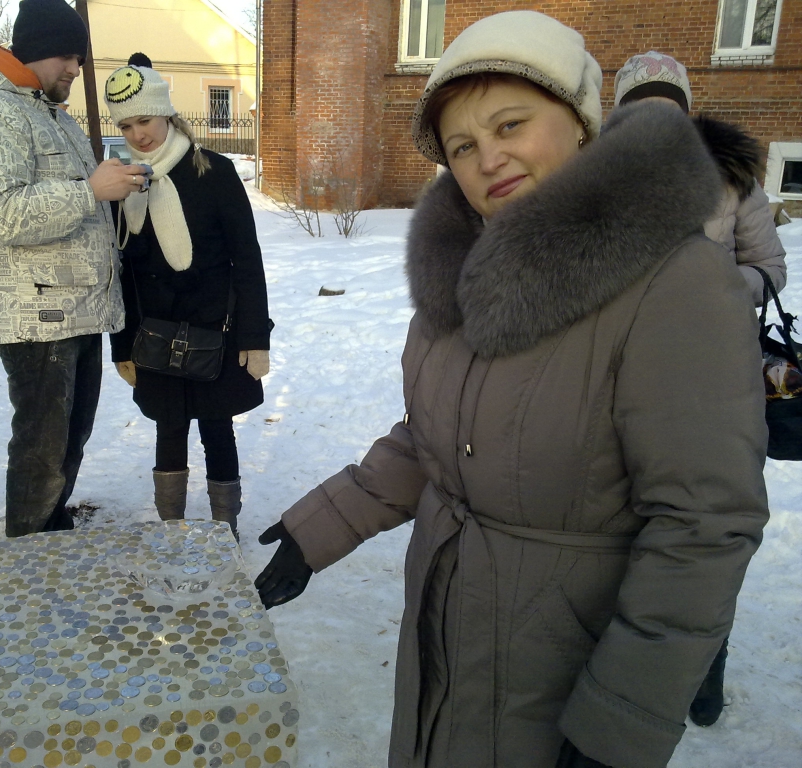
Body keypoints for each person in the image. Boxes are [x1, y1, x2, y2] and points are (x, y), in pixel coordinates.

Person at [254, 11, 768, 768]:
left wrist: (621, 721)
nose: (487, 157)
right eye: (462, 145)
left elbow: (703, 525)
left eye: (510, 124)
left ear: (582, 123)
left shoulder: (676, 283)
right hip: (444, 633)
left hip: (562, 663)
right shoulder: (464, 273)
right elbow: (435, 438)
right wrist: (325, 525)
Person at [614, 50, 788, 727]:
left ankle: (704, 660)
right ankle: (624, 658)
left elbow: (769, 268)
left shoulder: (731, 177)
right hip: (625, 373)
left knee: (707, 526)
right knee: (629, 521)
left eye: (666, 108)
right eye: (639, 110)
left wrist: (706, 285)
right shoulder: (599, 178)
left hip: (716, 375)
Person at [0, 0, 149, 537]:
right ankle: (27, 552)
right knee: (42, 449)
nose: (75, 69)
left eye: (78, 58)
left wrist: (114, 187)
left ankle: (52, 533)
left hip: (77, 310)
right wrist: (89, 192)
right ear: (37, 50)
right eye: (67, 56)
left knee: (68, 441)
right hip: (37, 318)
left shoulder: (48, 112)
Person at [104, 54, 272, 539]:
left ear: (166, 113)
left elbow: (247, 260)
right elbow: (122, 273)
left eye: (145, 120)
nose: (138, 134)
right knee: (169, 428)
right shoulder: (125, 184)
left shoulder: (214, 172)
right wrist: (121, 345)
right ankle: (171, 532)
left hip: (215, 334)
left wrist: (255, 338)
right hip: (154, 338)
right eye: (127, 125)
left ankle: (224, 531)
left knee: (218, 429)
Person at [614, 51, 787, 307]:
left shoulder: (732, 179)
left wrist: (717, 282)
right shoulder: (593, 178)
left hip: (710, 324)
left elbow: (770, 267)